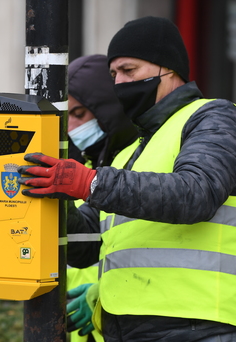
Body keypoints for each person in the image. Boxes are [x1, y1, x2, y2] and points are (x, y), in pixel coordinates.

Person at [18, 16, 236, 342]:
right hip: (130, 328)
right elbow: (87, 246)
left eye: (129, 70)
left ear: (170, 68)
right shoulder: (130, 155)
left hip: (205, 325)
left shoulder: (216, 117)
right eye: (113, 74)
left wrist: (88, 183)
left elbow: (196, 194)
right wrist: (55, 196)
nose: (120, 82)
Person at [65, 54, 137, 342]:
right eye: (65, 115)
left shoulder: (138, 168)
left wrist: (100, 293)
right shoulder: (76, 168)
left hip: (120, 321)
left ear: (108, 110)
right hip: (82, 328)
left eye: (79, 114)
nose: (71, 127)